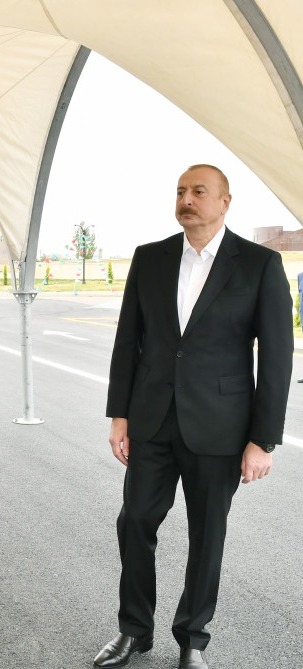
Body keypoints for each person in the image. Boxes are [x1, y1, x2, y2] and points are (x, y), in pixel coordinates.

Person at [95, 165, 293, 669]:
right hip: (152, 421)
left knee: (207, 537)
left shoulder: (259, 264)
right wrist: (119, 416)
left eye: (199, 191)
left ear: (225, 202)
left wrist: (263, 440)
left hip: (221, 428)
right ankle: (134, 631)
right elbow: (128, 341)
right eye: (181, 191)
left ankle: (193, 640)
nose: (187, 199)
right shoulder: (150, 258)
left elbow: (276, 358)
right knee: (135, 521)